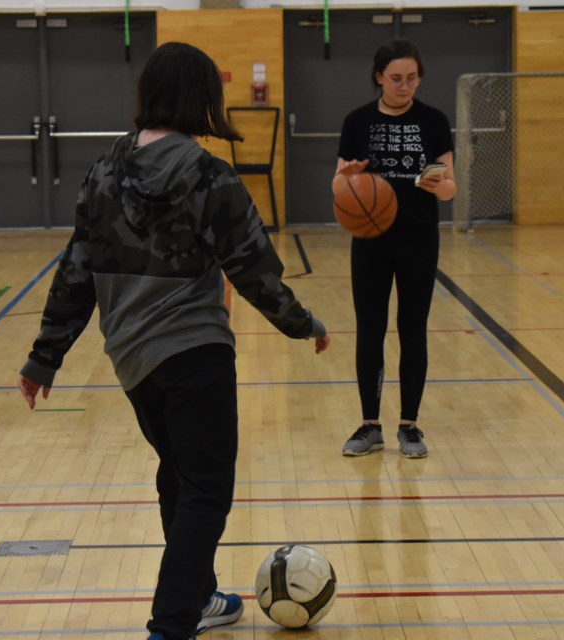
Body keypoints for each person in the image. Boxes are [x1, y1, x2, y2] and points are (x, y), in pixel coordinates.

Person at [17, 42, 330, 640]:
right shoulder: (210, 176)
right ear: (203, 100)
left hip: (133, 361)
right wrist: (303, 323)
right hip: (196, 352)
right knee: (208, 489)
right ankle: (172, 623)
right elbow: (255, 270)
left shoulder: (104, 170)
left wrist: (44, 356)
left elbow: (75, 270)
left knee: (179, 476)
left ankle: (202, 595)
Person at [335, 38, 455, 459]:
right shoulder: (356, 122)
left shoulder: (435, 121)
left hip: (419, 238)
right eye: (397, 79)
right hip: (370, 240)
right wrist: (348, 178)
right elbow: (338, 186)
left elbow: (450, 187)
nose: (406, 87)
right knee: (370, 330)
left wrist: (441, 185)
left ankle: (410, 426)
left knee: (412, 329)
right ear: (379, 77)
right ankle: (370, 425)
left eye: (412, 79)